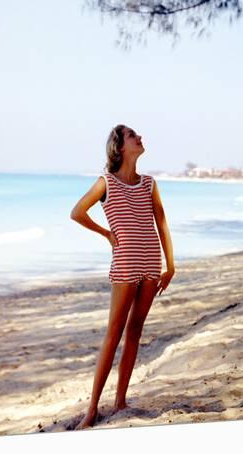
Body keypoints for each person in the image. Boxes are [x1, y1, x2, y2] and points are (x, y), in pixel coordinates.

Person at [70, 124, 176, 430]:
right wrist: (106, 234)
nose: (140, 137)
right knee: (113, 333)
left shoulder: (148, 184)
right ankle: (91, 410)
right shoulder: (106, 183)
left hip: (151, 261)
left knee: (135, 332)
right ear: (119, 147)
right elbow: (77, 212)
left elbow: (163, 225)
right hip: (126, 263)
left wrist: (170, 265)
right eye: (132, 135)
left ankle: (120, 401)